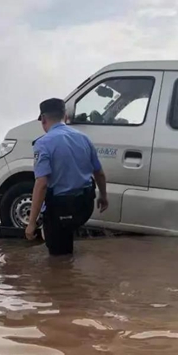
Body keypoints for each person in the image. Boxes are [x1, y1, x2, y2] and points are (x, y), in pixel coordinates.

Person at [25, 98, 109, 255]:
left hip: (60, 209)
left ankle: (62, 275)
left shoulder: (43, 143)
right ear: (65, 116)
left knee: (58, 259)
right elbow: (99, 173)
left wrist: (31, 223)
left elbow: (41, 184)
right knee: (67, 239)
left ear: (43, 119)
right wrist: (103, 197)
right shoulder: (84, 138)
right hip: (84, 207)